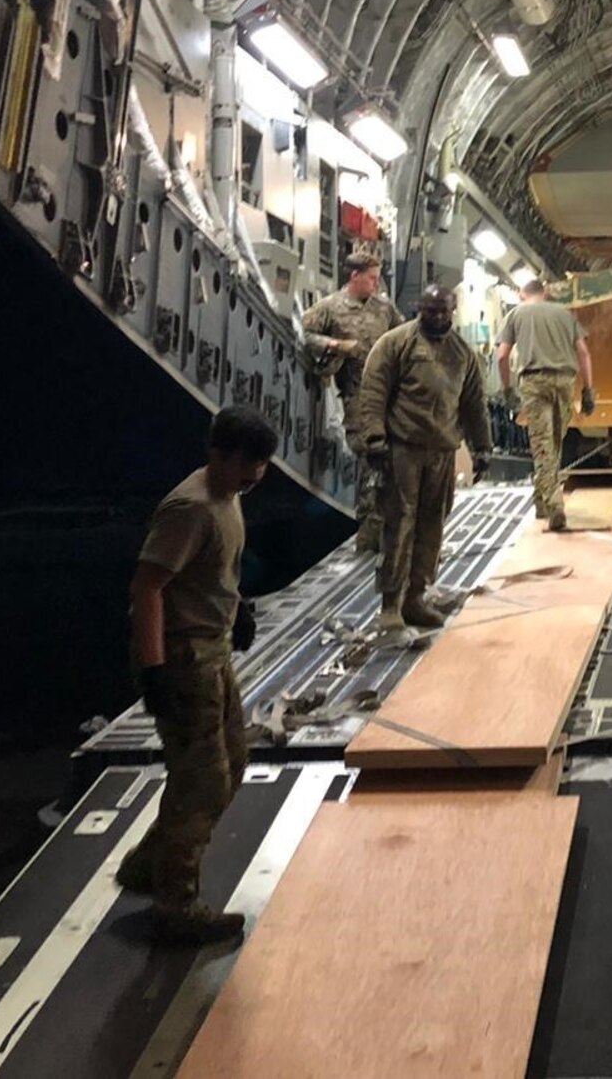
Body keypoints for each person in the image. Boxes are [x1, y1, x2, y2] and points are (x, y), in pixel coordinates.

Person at [115, 405, 276, 945]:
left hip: (214, 648)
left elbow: (210, 571)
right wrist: (154, 669)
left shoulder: (230, 496)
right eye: (245, 465)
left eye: (262, 467)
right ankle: (174, 904)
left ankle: (149, 864)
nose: (254, 476)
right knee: (202, 781)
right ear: (217, 455)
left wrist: (240, 606)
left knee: (232, 762)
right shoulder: (191, 508)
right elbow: (148, 588)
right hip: (186, 660)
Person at [353, 283, 493, 630]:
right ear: (419, 308)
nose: (437, 317)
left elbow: (475, 404)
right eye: (430, 311)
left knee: (432, 526)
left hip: (442, 453)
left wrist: (483, 447)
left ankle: (415, 597)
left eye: (443, 310)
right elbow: (373, 391)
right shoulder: (396, 343)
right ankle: (390, 605)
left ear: (452, 310)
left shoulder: (462, 354)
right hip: (402, 450)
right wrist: (373, 439)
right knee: (399, 524)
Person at [302, 245, 401, 554]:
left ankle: (386, 532)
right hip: (357, 395)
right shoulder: (330, 307)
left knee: (393, 460)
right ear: (354, 276)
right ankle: (369, 536)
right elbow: (304, 335)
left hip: (390, 395)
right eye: (371, 278)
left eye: (377, 278)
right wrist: (335, 344)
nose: (376, 283)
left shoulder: (384, 309)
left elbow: (404, 337)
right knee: (370, 459)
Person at [495, 277, 595, 532]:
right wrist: (588, 389)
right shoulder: (563, 314)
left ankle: (554, 504)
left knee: (542, 446)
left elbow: (502, 356)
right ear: (546, 293)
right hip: (565, 381)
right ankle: (541, 500)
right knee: (554, 444)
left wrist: (507, 389)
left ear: (521, 294)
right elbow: (583, 352)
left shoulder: (515, 315)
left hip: (534, 382)